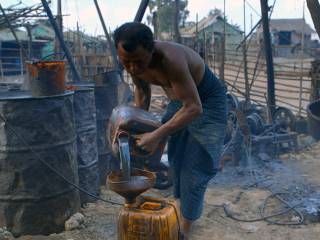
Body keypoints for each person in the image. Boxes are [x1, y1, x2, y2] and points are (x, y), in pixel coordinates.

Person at [114, 22, 227, 239]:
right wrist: (137, 125)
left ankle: (183, 230)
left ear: (151, 49)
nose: (133, 68)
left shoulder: (171, 59)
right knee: (176, 160)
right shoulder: (133, 63)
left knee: (195, 168)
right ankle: (180, 203)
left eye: (138, 62)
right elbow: (142, 92)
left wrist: (156, 135)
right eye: (126, 62)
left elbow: (194, 107)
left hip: (207, 103)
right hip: (181, 102)